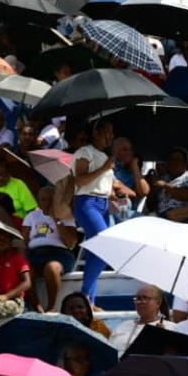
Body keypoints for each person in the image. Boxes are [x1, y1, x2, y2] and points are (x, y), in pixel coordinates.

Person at [71, 117, 114, 303]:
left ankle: (90, 302)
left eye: (112, 133)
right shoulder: (84, 152)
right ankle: (85, 294)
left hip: (103, 204)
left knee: (96, 252)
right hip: (86, 202)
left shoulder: (104, 156)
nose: (110, 136)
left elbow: (101, 184)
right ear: (96, 133)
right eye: (107, 131)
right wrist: (104, 168)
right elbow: (80, 180)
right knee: (105, 246)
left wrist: (115, 194)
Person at [23, 184, 74, 313]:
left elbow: (71, 243)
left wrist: (56, 219)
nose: (47, 203)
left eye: (51, 199)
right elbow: (24, 240)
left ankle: (51, 307)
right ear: (38, 201)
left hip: (59, 254)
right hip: (36, 254)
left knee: (51, 267)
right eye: (43, 199)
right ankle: (36, 307)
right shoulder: (31, 216)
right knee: (25, 270)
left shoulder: (65, 215)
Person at [0, 229, 31, 328]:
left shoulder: (17, 258)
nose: (1, 242)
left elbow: (27, 282)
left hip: (15, 301)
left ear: (10, 243)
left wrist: (6, 296)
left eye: (4, 239)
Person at [106, 283, 169, 351]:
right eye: (138, 298)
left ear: (158, 303)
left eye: (145, 298)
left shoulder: (169, 328)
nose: (140, 302)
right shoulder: (122, 326)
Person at [153, 146, 188, 223]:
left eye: (178, 159)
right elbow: (153, 203)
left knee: (171, 214)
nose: (174, 162)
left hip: (182, 216)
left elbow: (186, 196)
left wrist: (165, 185)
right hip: (161, 216)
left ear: (185, 163)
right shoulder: (164, 178)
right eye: (171, 159)